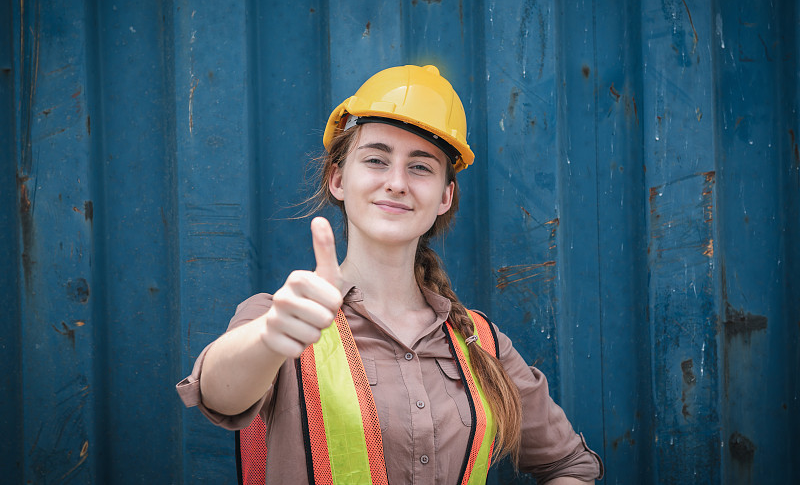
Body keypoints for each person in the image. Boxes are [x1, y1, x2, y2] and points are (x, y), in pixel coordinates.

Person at [176, 64, 604, 484]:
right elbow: (219, 396)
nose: (397, 182)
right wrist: (269, 337)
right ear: (339, 179)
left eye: (420, 166)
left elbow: (571, 466)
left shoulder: (481, 342)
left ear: (444, 195)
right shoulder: (282, 316)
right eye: (377, 160)